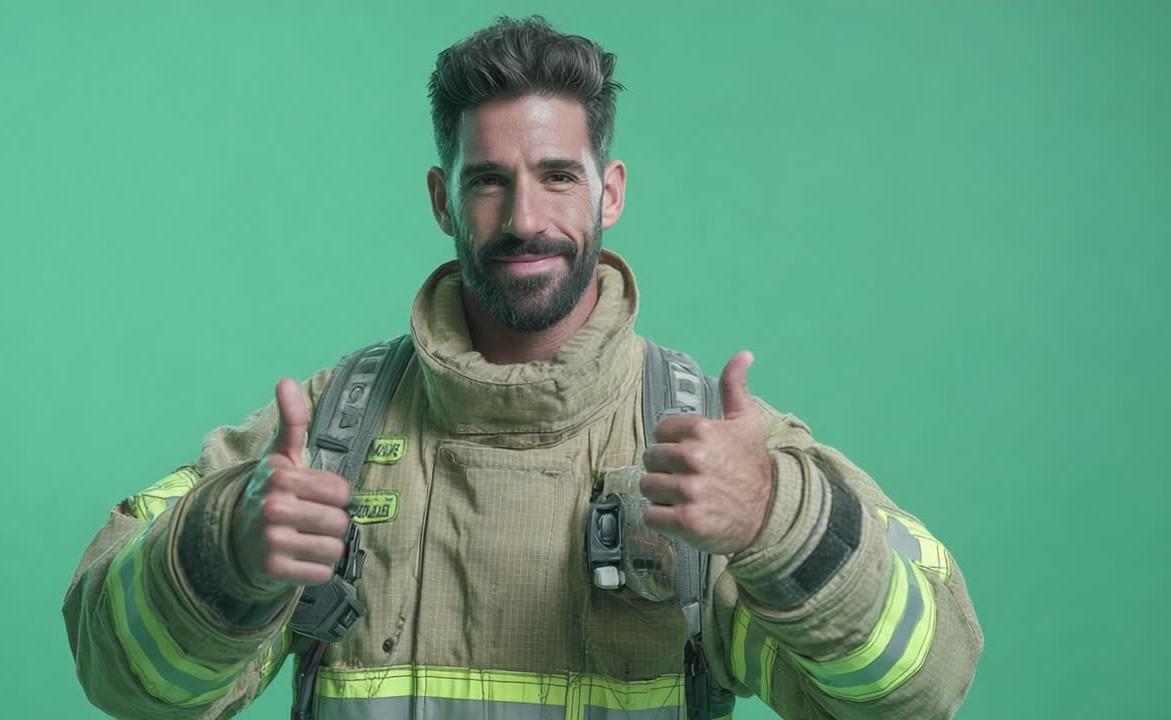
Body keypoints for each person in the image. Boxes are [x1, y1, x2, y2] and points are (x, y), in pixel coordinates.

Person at [63, 15, 982, 720]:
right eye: (487, 180)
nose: (523, 218)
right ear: (442, 200)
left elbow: (922, 685)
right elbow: (125, 678)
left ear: (609, 191)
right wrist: (227, 551)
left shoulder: (713, 454)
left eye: (558, 175)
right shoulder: (325, 439)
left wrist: (779, 517)